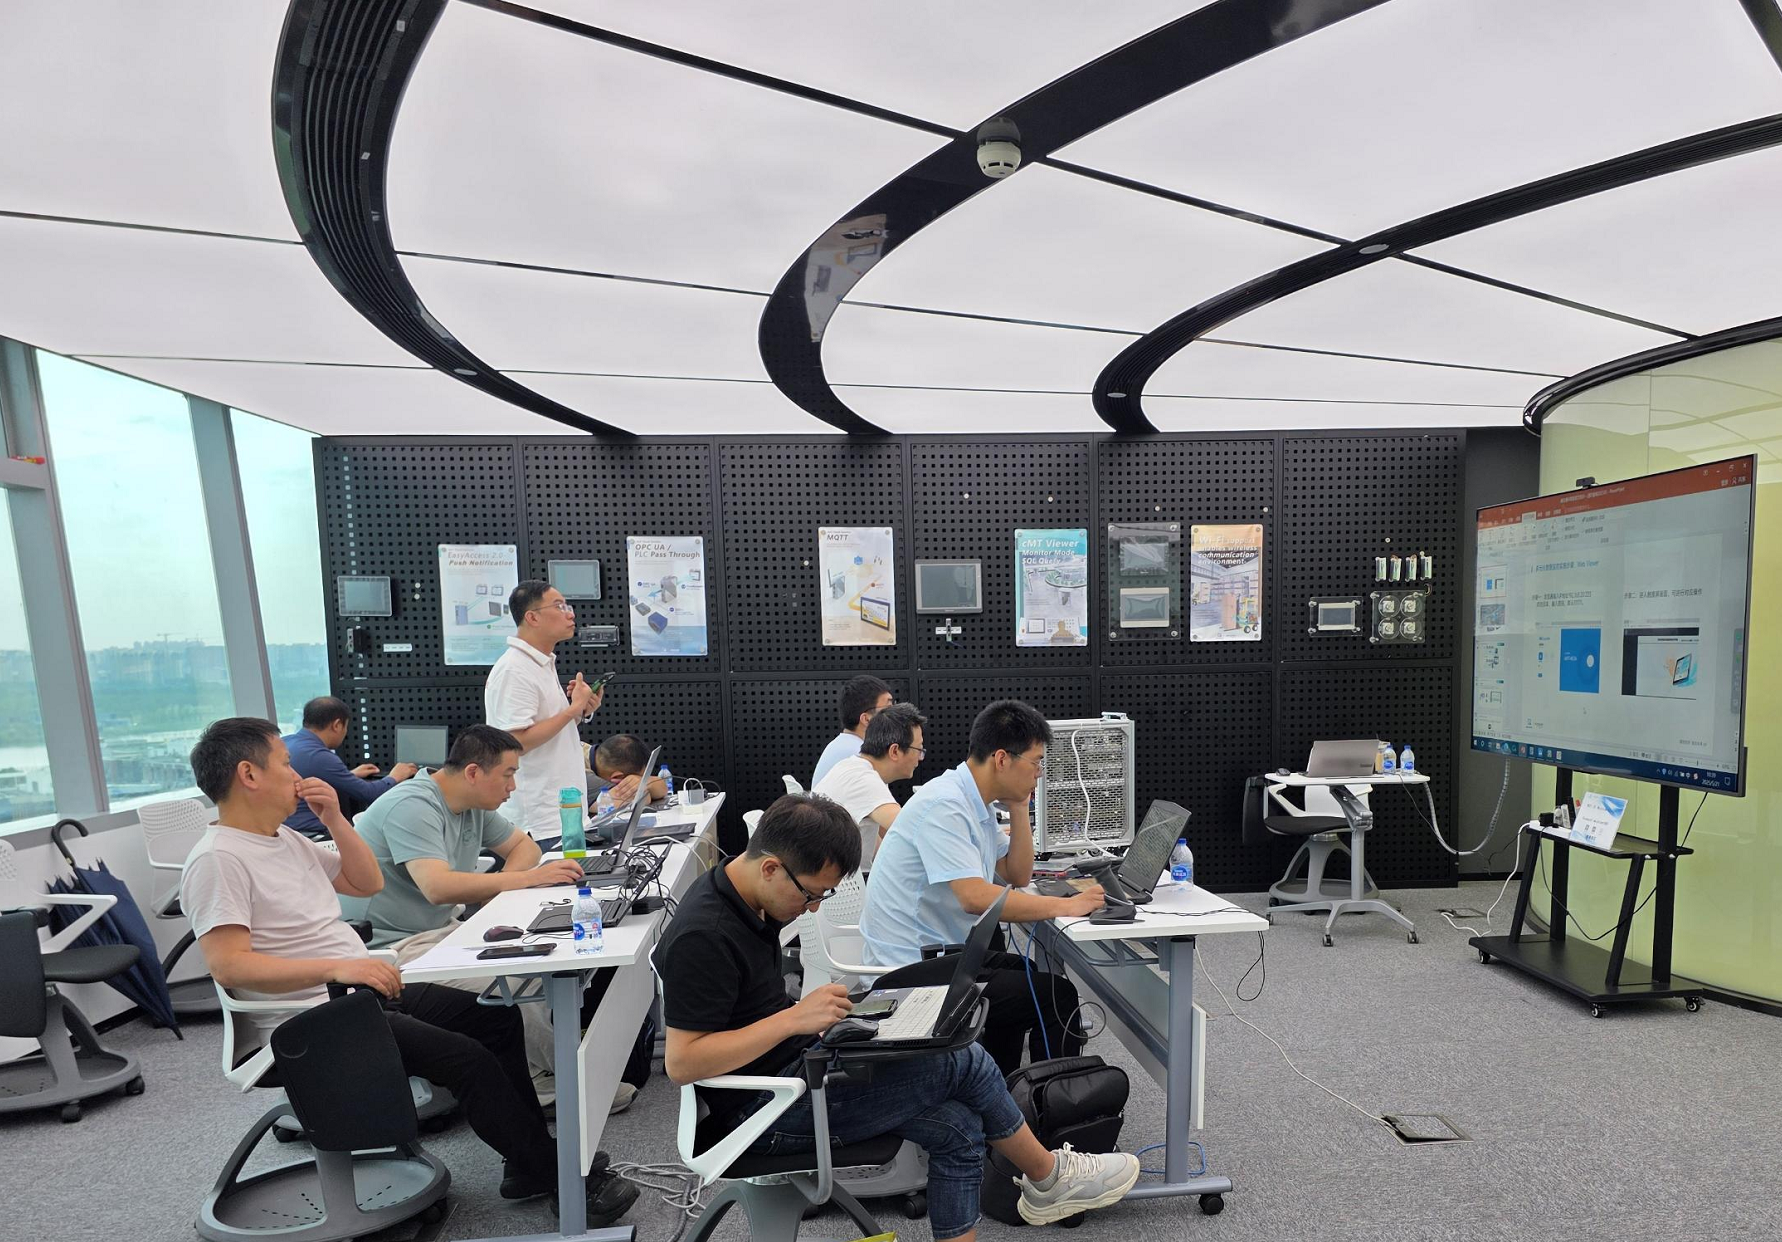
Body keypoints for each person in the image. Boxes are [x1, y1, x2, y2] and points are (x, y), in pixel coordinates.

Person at [179, 717, 636, 1224]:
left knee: (495, 1016)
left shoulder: (283, 838)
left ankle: (528, 1162)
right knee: (468, 1060)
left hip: (350, 994)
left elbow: (366, 881)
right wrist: (340, 966)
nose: (296, 774)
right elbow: (228, 965)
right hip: (304, 1020)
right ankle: (558, 1176)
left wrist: (335, 820)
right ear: (249, 774)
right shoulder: (218, 859)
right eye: (285, 764)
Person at [657, 795, 1139, 1240]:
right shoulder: (706, 935)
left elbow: (747, 1011)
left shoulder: (747, 896)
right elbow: (682, 1063)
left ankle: (1043, 1180)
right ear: (770, 869)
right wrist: (793, 1019)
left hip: (798, 1068)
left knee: (959, 1127)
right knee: (963, 1061)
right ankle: (1048, 1177)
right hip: (760, 1111)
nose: (813, 907)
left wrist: (825, 1021)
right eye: (810, 895)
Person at [352, 723, 640, 1113]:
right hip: (391, 948)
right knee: (515, 983)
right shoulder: (412, 805)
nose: (512, 787)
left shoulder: (471, 803)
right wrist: (525, 880)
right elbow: (436, 886)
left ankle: (551, 1071)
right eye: (508, 774)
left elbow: (524, 847)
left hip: (439, 931)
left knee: (536, 961)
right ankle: (554, 1082)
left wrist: (507, 884)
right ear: (473, 772)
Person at [857, 700, 1101, 1074]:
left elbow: (1017, 874)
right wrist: (1067, 906)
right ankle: (1044, 1099)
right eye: (1036, 762)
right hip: (909, 971)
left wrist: (1019, 807)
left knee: (1025, 971)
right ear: (1002, 759)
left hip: (944, 954)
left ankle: (1002, 1087)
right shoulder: (946, 805)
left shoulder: (976, 801)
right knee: (1057, 996)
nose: (1038, 773)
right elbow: (973, 898)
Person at [485, 581, 605, 839]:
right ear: (532, 617)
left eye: (568, 606)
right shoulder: (514, 670)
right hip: (539, 823)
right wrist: (573, 709)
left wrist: (581, 710)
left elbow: (547, 731)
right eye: (559, 607)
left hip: (564, 815)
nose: (570, 614)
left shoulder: (541, 663)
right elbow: (516, 742)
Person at [282, 696, 417, 838]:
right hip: (316, 836)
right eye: (346, 726)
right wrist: (394, 776)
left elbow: (312, 773)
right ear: (337, 725)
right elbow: (370, 794)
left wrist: (349, 775)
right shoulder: (320, 756)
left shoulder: (286, 742)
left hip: (289, 832)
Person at [811, 702, 924, 869]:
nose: (920, 758)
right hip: (845, 883)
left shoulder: (851, 766)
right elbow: (914, 829)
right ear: (894, 751)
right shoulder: (864, 780)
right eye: (919, 750)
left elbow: (883, 841)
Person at [811, 675, 893, 787]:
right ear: (866, 719)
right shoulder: (861, 757)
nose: (895, 715)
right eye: (888, 709)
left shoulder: (843, 746)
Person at [589, 734, 667, 809]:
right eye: (638, 777)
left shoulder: (592, 753)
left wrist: (646, 782)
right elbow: (643, 799)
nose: (638, 781)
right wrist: (643, 788)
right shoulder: (587, 778)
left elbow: (662, 788)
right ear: (617, 777)